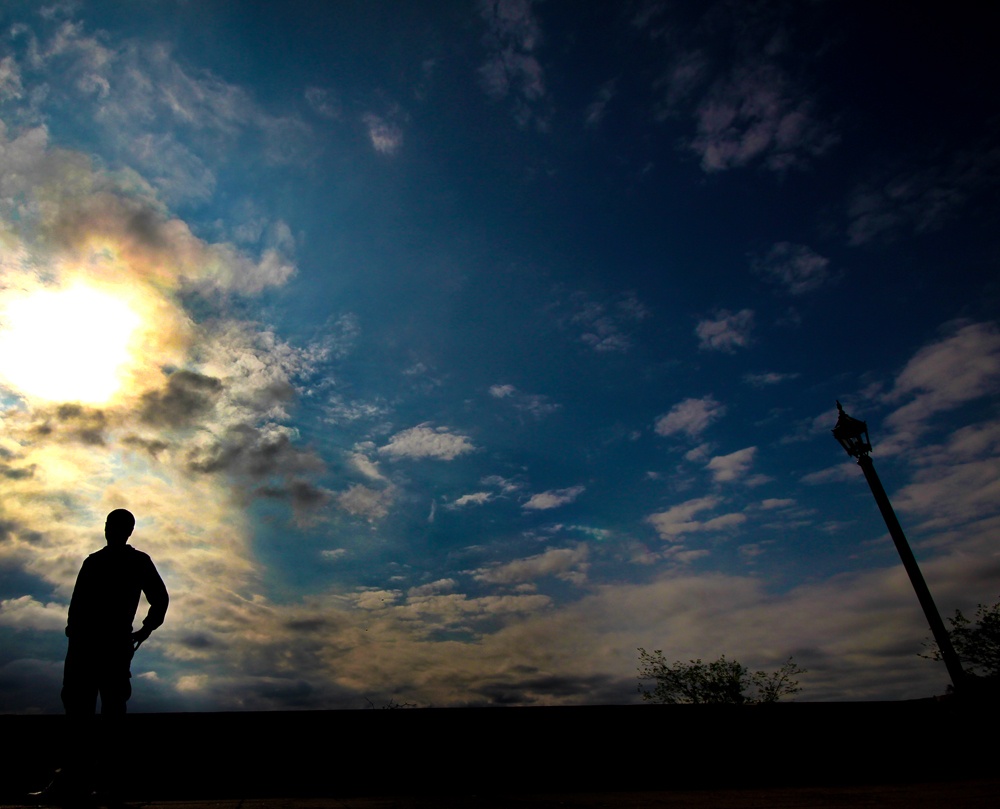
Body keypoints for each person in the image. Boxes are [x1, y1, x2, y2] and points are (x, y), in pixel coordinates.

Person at [39, 508, 168, 806]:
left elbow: (159, 598)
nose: (111, 529)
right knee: (79, 714)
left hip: (108, 646)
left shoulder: (136, 561)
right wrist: (75, 634)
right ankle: (74, 782)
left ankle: (109, 783)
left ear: (128, 530)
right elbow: (77, 603)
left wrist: (145, 629)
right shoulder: (94, 561)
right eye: (110, 524)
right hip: (86, 646)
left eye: (117, 525)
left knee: (110, 715)